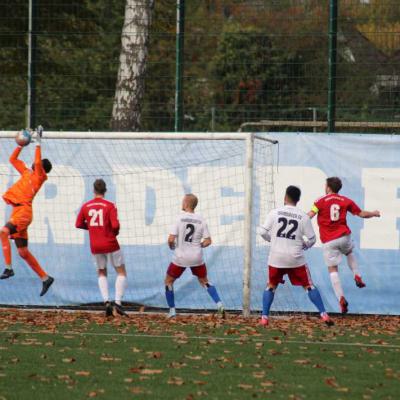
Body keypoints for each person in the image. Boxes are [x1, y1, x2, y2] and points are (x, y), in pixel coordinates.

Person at [259, 185, 333, 327]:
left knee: (271, 286)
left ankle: (264, 317)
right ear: (298, 200)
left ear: (285, 197)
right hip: (295, 258)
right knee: (309, 286)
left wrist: (272, 239)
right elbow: (312, 239)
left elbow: (262, 232)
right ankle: (323, 314)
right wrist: (303, 245)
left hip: (276, 257)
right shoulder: (303, 216)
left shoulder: (275, 212)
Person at [308, 177, 380, 314]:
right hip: (344, 236)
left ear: (328, 187)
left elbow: (310, 215)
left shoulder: (319, 201)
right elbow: (362, 214)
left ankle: (341, 298)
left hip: (329, 241)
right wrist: (374, 213)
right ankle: (357, 275)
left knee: (333, 269)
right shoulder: (346, 200)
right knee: (349, 252)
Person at [0, 128, 54, 296]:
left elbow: (38, 163)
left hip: (23, 212)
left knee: (3, 232)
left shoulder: (39, 176)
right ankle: (45, 278)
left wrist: (37, 143)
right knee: (23, 252)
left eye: (39, 164)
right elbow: (12, 159)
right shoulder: (26, 172)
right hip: (18, 211)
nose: (36, 163)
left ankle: (8, 268)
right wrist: (22, 144)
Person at [165, 194, 224, 318]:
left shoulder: (179, 218)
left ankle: (172, 311)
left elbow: (171, 239)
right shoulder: (201, 219)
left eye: (182, 201)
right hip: (196, 257)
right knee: (204, 281)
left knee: (168, 281)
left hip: (180, 257)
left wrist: (171, 246)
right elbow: (208, 241)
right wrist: (199, 245)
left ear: (186, 203)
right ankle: (219, 304)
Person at [76, 179, 127, 317]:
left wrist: (93, 228)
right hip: (110, 242)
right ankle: (118, 303)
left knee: (102, 272)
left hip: (96, 245)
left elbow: (78, 223)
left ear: (93, 190)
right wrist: (113, 233)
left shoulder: (86, 206)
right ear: (105, 190)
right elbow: (115, 226)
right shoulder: (110, 205)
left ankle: (106, 302)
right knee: (121, 272)